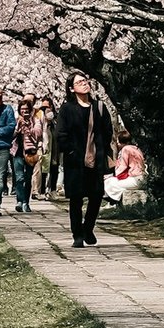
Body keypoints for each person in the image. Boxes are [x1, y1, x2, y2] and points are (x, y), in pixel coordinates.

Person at [56, 72, 113, 248]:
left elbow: (108, 131)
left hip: (96, 159)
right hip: (75, 161)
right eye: (79, 82)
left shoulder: (99, 107)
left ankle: (88, 228)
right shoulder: (67, 109)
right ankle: (77, 235)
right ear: (72, 88)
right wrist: (71, 151)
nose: (84, 84)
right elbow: (61, 134)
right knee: (76, 198)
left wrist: (101, 149)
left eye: (85, 81)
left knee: (96, 196)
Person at [10, 96, 42, 213]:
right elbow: (11, 136)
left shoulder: (35, 120)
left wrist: (29, 127)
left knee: (28, 178)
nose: (24, 112)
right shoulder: (15, 119)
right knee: (19, 177)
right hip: (17, 151)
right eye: (22, 109)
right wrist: (18, 127)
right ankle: (19, 200)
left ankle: (26, 202)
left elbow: (38, 134)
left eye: (26, 109)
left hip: (30, 152)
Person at [105, 130, 146, 205]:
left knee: (108, 182)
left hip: (135, 179)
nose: (117, 143)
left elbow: (122, 166)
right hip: (142, 178)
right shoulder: (136, 148)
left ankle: (114, 201)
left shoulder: (125, 149)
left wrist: (114, 175)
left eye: (119, 141)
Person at [36, 95, 60, 196]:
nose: (45, 110)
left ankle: (52, 189)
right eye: (43, 107)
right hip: (45, 143)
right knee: (43, 167)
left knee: (54, 167)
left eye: (47, 107)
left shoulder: (56, 118)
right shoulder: (39, 116)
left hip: (55, 143)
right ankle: (41, 189)